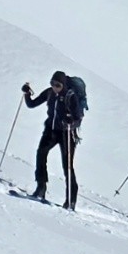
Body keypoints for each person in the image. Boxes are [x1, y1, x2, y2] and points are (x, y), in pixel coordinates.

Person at [22, 70, 82, 209]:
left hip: (66, 133)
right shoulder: (49, 93)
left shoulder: (70, 96)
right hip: (51, 130)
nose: (55, 87)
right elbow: (32, 104)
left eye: (58, 85)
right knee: (41, 153)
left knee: (67, 166)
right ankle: (41, 187)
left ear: (63, 85)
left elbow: (78, 118)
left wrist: (70, 122)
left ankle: (71, 200)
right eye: (52, 83)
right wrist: (26, 94)